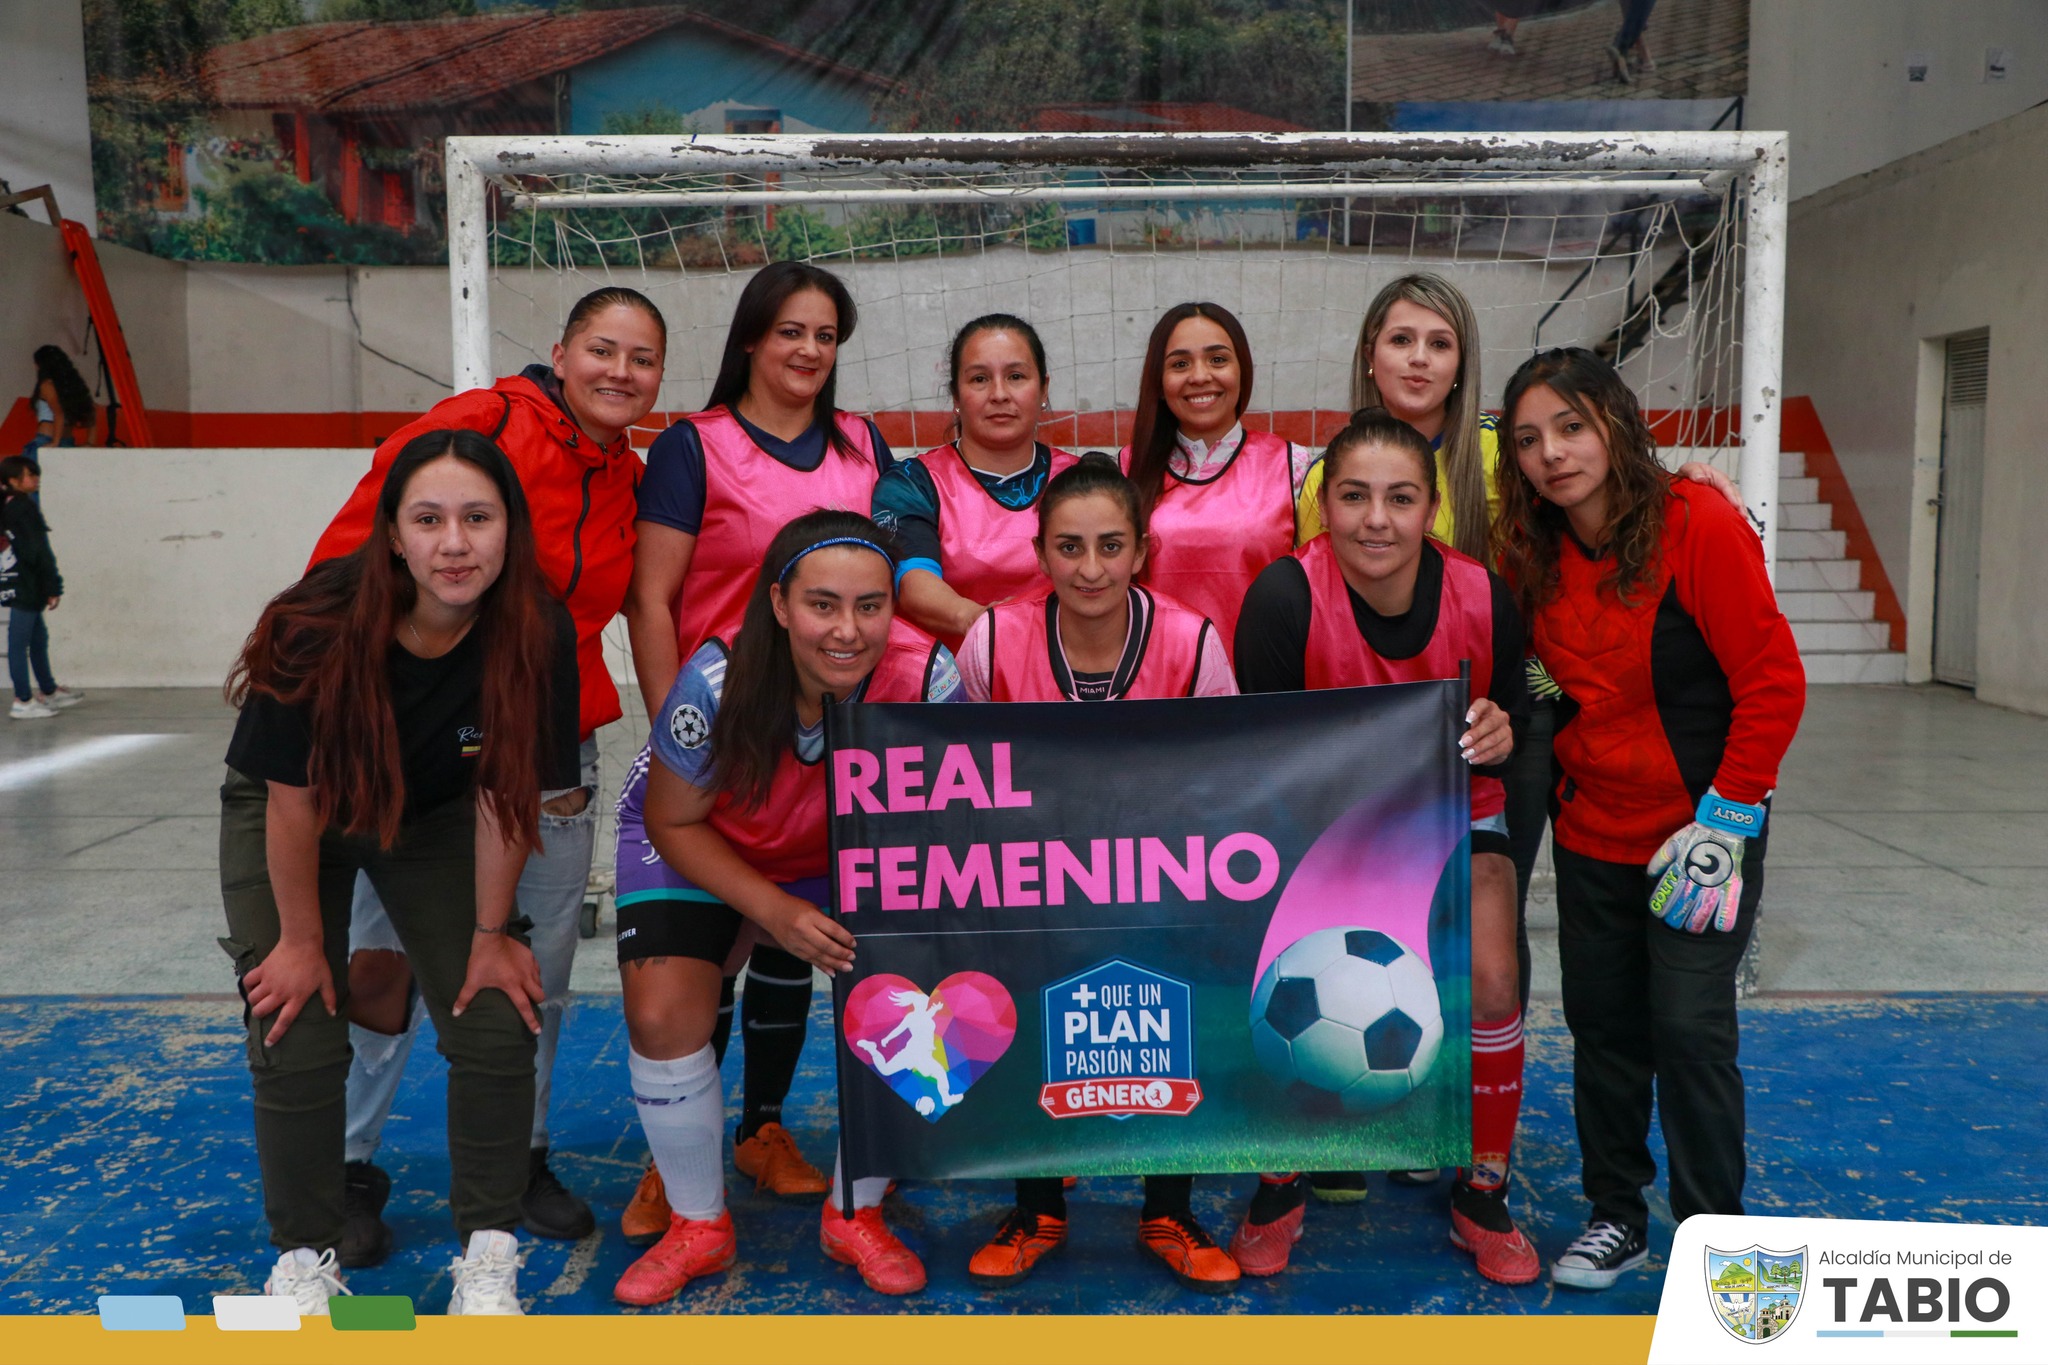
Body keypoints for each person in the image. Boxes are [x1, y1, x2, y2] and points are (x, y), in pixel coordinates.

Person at [1298, 273, 1741, 1197]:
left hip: (1506, 722)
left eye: (1439, 342)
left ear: (1463, 365)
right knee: (1380, 928)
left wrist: (1684, 481)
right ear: (1369, 354)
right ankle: (1379, 1098)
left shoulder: (1510, 454)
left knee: (1488, 935)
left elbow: (1601, 526)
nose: (1419, 359)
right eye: (1401, 339)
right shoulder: (1327, 473)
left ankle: (1472, 1127)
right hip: (1378, 741)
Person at [306, 286, 665, 1260]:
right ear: (560, 349)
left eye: (641, 359)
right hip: (419, 748)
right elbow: (344, 567)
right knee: (382, 968)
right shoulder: (480, 425)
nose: (618, 372)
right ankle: (347, 1170)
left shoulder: (630, 477)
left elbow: (642, 606)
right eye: (602, 348)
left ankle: (519, 1157)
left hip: (550, 756)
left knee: (530, 972)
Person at [219, 429, 581, 1315]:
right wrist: (304, 942)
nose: (454, 543)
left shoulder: (535, 626)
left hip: (435, 813)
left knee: (498, 1012)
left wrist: (492, 937)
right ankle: (305, 1259)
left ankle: (489, 1257)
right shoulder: (317, 623)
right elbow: (292, 800)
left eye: (477, 517)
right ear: (392, 535)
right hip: (299, 813)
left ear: (510, 529)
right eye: (429, 519)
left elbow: (504, 787)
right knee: (295, 1019)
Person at [1495, 348, 1803, 1290]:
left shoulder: (1695, 520)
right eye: (1530, 440)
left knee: (1689, 1029)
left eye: (1572, 427)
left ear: (1619, 422)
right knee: (1604, 1030)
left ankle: (1717, 1239)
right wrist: (1542, 716)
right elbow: (1547, 674)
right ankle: (1615, 1212)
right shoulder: (1529, 550)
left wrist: (1726, 818)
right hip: (1594, 836)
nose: (1553, 453)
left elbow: (1772, 682)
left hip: (1699, 840)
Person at [612, 510, 961, 1305]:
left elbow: (948, 832)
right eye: (823, 604)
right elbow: (672, 820)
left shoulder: (930, 676)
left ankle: (855, 1210)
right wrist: (769, 910)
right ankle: (699, 1223)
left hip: (843, 854)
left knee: (925, 997)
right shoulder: (718, 678)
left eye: (870, 605)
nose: (848, 629)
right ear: (778, 603)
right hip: (703, 838)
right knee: (664, 1014)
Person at [1230, 408, 1539, 1285]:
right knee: (1286, 972)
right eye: (1355, 496)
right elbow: (1257, 754)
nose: (1377, 518)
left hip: (1453, 815)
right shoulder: (1284, 595)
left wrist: (1501, 728)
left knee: (1492, 976)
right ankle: (1279, 1179)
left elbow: (1518, 711)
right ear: (1324, 503)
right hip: (1320, 829)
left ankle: (1482, 1193)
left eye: (1400, 498)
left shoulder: (1483, 594)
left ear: (1432, 506)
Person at [619, 261, 891, 1237]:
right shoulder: (695, 447)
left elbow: (898, 582)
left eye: (825, 335)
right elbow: (651, 598)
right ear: (748, 338)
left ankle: (763, 1128)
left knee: (798, 940)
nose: (808, 351)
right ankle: (675, 1154)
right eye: (790, 331)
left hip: (828, 749)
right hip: (720, 734)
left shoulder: (863, 445)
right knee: (714, 942)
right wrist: (678, 734)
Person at [956, 455, 1241, 1293]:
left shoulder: (1191, 640)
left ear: (1142, 550)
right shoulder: (994, 638)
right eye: (1070, 547)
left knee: (1171, 1009)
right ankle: (1037, 1204)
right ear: (1039, 552)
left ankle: (1169, 1206)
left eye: (1110, 546)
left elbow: (1229, 771)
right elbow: (956, 771)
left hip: (1159, 882)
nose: (1090, 568)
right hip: (1030, 883)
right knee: (1028, 1008)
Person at [1119, 302, 1316, 657]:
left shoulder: (1296, 467)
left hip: (1263, 683)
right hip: (1155, 680)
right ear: (1159, 383)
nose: (1199, 376)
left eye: (1218, 360)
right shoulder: (1123, 470)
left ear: (1242, 370)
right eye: (1180, 364)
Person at [871, 314, 1078, 648]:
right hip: (949, 688)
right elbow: (912, 582)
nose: (999, 394)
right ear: (955, 395)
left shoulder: (1084, 481)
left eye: (1016, 376)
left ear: (1044, 388)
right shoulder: (911, 483)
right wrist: (986, 624)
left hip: (1068, 681)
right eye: (980, 379)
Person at [2, 456, 83, 719]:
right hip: (26, 583)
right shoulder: (23, 508)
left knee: (38, 638)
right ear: (13, 481)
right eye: (30, 475)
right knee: (19, 641)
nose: (36, 480)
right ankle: (23, 700)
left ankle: (47, 690)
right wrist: (52, 585)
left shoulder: (10, 506)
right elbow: (38, 551)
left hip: (20, 580)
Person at [24, 346, 94, 455]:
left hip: (47, 438)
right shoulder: (73, 386)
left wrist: (55, 442)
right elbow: (91, 413)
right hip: (68, 441)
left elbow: (58, 413)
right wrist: (90, 442)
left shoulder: (47, 385)